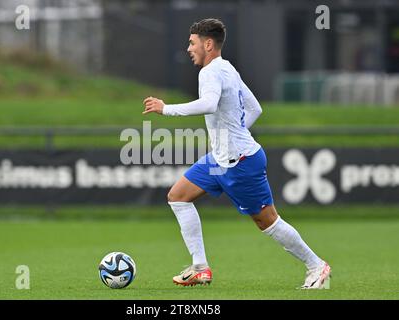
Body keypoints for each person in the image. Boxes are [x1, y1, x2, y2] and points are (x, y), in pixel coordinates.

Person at [142, 18, 331, 289]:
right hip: (220, 160)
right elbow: (255, 109)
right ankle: (200, 268)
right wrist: (229, 137)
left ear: (208, 44)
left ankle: (317, 266)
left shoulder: (210, 72)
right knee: (178, 196)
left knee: (267, 222)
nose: (188, 48)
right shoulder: (228, 69)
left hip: (240, 162)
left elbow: (209, 104)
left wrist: (166, 109)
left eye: (192, 42)